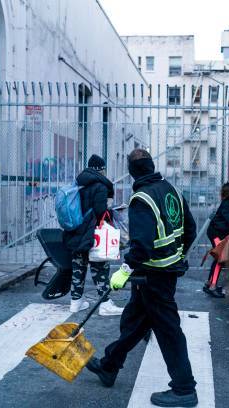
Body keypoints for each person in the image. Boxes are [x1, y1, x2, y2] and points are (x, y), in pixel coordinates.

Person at [86, 149, 199, 408]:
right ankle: (109, 366)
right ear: (151, 166)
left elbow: (142, 246)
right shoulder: (171, 190)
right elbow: (190, 229)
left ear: (133, 171)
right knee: (134, 321)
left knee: (168, 330)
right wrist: (176, 254)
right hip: (164, 272)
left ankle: (184, 389)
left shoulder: (141, 199)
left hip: (152, 275)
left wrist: (124, 270)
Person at [63, 154, 123, 316]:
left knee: (78, 268)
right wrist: (110, 207)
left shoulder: (77, 182)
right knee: (100, 269)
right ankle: (105, 304)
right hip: (92, 233)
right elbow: (99, 211)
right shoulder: (101, 186)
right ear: (102, 169)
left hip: (75, 232)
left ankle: (75, 302)